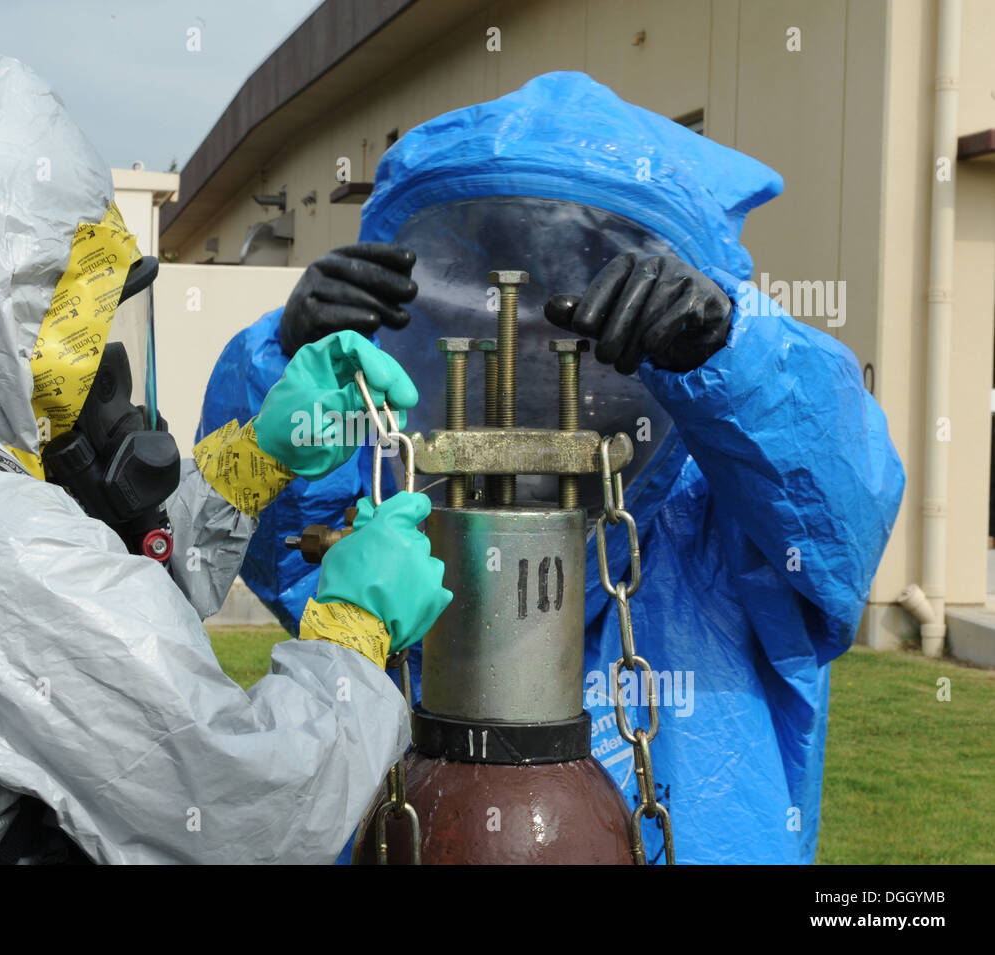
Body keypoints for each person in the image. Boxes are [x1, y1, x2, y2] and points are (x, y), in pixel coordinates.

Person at [0, 56, 451, 864]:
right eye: (89, 319)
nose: (109, 383)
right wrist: (355, 629)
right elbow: (257, 809)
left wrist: (253, 459)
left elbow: (94, 632)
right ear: (13, 303)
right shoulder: (1, 548)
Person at [200, 71, 905, 864]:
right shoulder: (398, 514)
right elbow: (271, 545)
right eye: (494, 295)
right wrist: (279, 370)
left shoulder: (719, 509)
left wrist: (736, 354)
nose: (530, 340)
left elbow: (841, 506)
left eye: (564, 303)